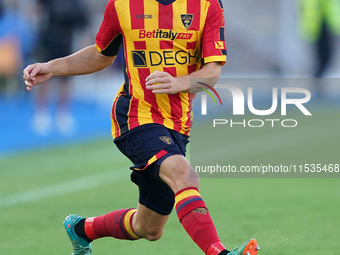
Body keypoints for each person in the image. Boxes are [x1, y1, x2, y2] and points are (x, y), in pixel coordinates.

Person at [23, 0, 259, 255]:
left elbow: (212, 71)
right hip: (136, 115)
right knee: (183, 174)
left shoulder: (207, 5)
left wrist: (179, 82)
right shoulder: (122, 5)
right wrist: (51, 67)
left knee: (148, 228)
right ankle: (220, 253)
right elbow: (100, 55)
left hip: (178, 124)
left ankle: (81, 229)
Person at [32, 0, 88, 134]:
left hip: (65, 41)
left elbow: (82, 21)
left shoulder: (74, 3)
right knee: (42, 76)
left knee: (66, 79)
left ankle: (63, 113)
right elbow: (37, 11)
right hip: (47, 41)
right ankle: (41, 112)